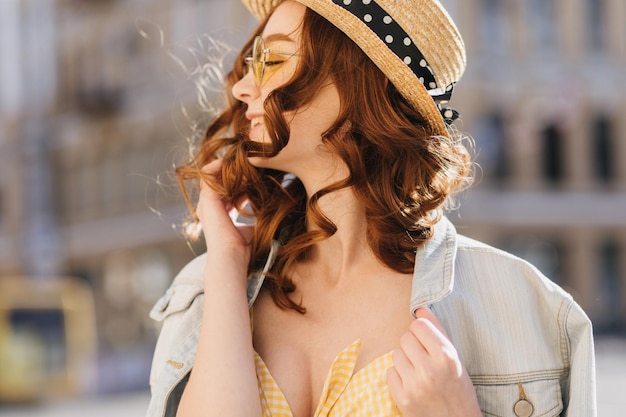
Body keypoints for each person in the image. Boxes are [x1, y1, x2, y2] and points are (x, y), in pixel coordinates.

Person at [146, 1, 596, 416]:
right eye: (250, 64)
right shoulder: (206, 293)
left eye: (273, 60)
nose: (243, 87)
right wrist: (225, 262)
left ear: (360, 76)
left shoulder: (526, 306)